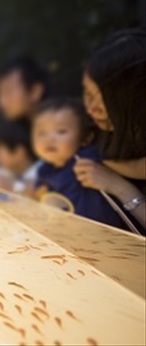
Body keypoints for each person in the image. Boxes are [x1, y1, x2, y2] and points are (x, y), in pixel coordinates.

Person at [75, 29, 146, 231]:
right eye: (87, 93)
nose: (90, 108)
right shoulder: (89, 132)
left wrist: (119, 187)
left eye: (103, 100)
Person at [32, 98, 130, 230]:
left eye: (61, 131)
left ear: (85, 138)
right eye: (41, 133)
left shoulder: (88, 161)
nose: (49, 139)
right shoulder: (45, 170)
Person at [0, 120, 39, 197]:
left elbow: (37, 189)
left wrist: (14, 186)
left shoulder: (40, 172)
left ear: (19, 152)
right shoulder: (7, 171)